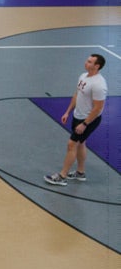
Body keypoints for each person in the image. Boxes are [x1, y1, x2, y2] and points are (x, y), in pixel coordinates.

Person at [45, 54, 108, 186]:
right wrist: (68, 112)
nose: (86, 63)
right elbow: (77, 94)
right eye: (87, 60)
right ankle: (80, 173)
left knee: (71, 144)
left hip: (88, 120)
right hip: (77, 115)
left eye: (90, 62)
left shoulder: (98, 85)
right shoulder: (83, 76)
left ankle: (62, 176)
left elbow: (98, 108)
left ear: (97, 66)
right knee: (81, 143)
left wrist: (85, 124)